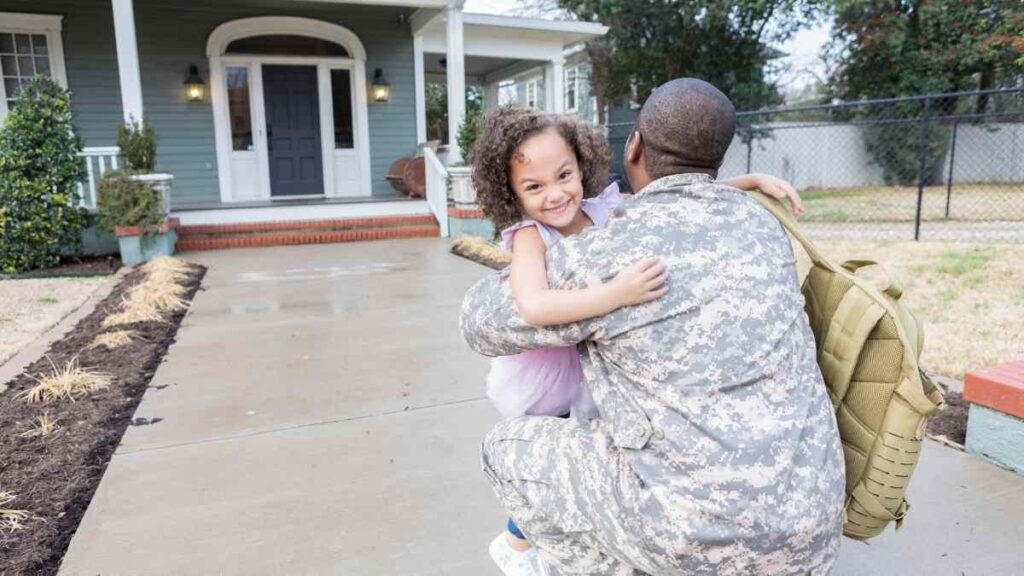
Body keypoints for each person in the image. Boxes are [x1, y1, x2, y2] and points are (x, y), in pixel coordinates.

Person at [461, 79, 845, 576]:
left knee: (504, 448)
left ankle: (565, 565)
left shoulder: (610, 246)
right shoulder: (761, 227)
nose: (555, 194)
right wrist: (751, 184)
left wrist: (611, 294)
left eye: (564, 176)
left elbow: (481, 322)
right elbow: (688, 201)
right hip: (811, 533)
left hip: (691, 542)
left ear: (633, 145)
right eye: (535, 186)